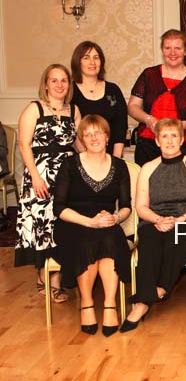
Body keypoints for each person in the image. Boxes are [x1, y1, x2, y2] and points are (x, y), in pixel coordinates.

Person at [120, 118, 186, 333]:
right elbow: (141, 206)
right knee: (148, 241)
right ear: (157, 141)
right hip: (155, 220)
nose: (169, 141)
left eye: (174, 136)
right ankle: (151, 294)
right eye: (164, 136)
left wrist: (181, 220)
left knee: (176, 238)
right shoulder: (148, 168)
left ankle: (149, 297)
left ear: (181, 139)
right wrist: (158, 220)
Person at [51, 115, 131, 336]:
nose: (93, 138)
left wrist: (115, 218)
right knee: (87, 239)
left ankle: (109, 304)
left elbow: (126, 206)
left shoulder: (119, 166)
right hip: (74, 222)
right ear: (82, 139)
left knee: (111, 237)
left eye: (98, 133)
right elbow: (59, 208)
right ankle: (86, 303)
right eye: (87, 134)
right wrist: (89, 221)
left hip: (106, 219)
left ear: (107, 137)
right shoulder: (70, 165)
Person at [15, 64, 81, 303]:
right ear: (46, 84)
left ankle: (58, 276)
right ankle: (45, 277)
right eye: (54, 80)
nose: (60, 85)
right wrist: (35, 175)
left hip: (67, 176)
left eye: (64, 80)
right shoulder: (34, 109)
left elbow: (78, 144)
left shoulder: (73, 110)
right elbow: (24, 144)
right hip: (40, 175)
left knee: (62, 224)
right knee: (43, 224)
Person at [128, 29, 186, 166]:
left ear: (185, 51)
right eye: (168, 48)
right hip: (147, 145)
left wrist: (174, 127)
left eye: (178, 48)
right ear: (162, 50)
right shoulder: (149, 74)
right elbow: (132, 107)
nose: (172, 53)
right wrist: (149, 120)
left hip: (181, 146)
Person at [70, 41, 128, 157]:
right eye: (86, 58)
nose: (92, 62)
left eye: (96, 57)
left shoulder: (113, 90)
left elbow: (120, 126)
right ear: (78, 62)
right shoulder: (69, 91)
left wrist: (115, 160)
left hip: (111, 156)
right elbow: (71, 128)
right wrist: (86, 157)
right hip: (80, 157)